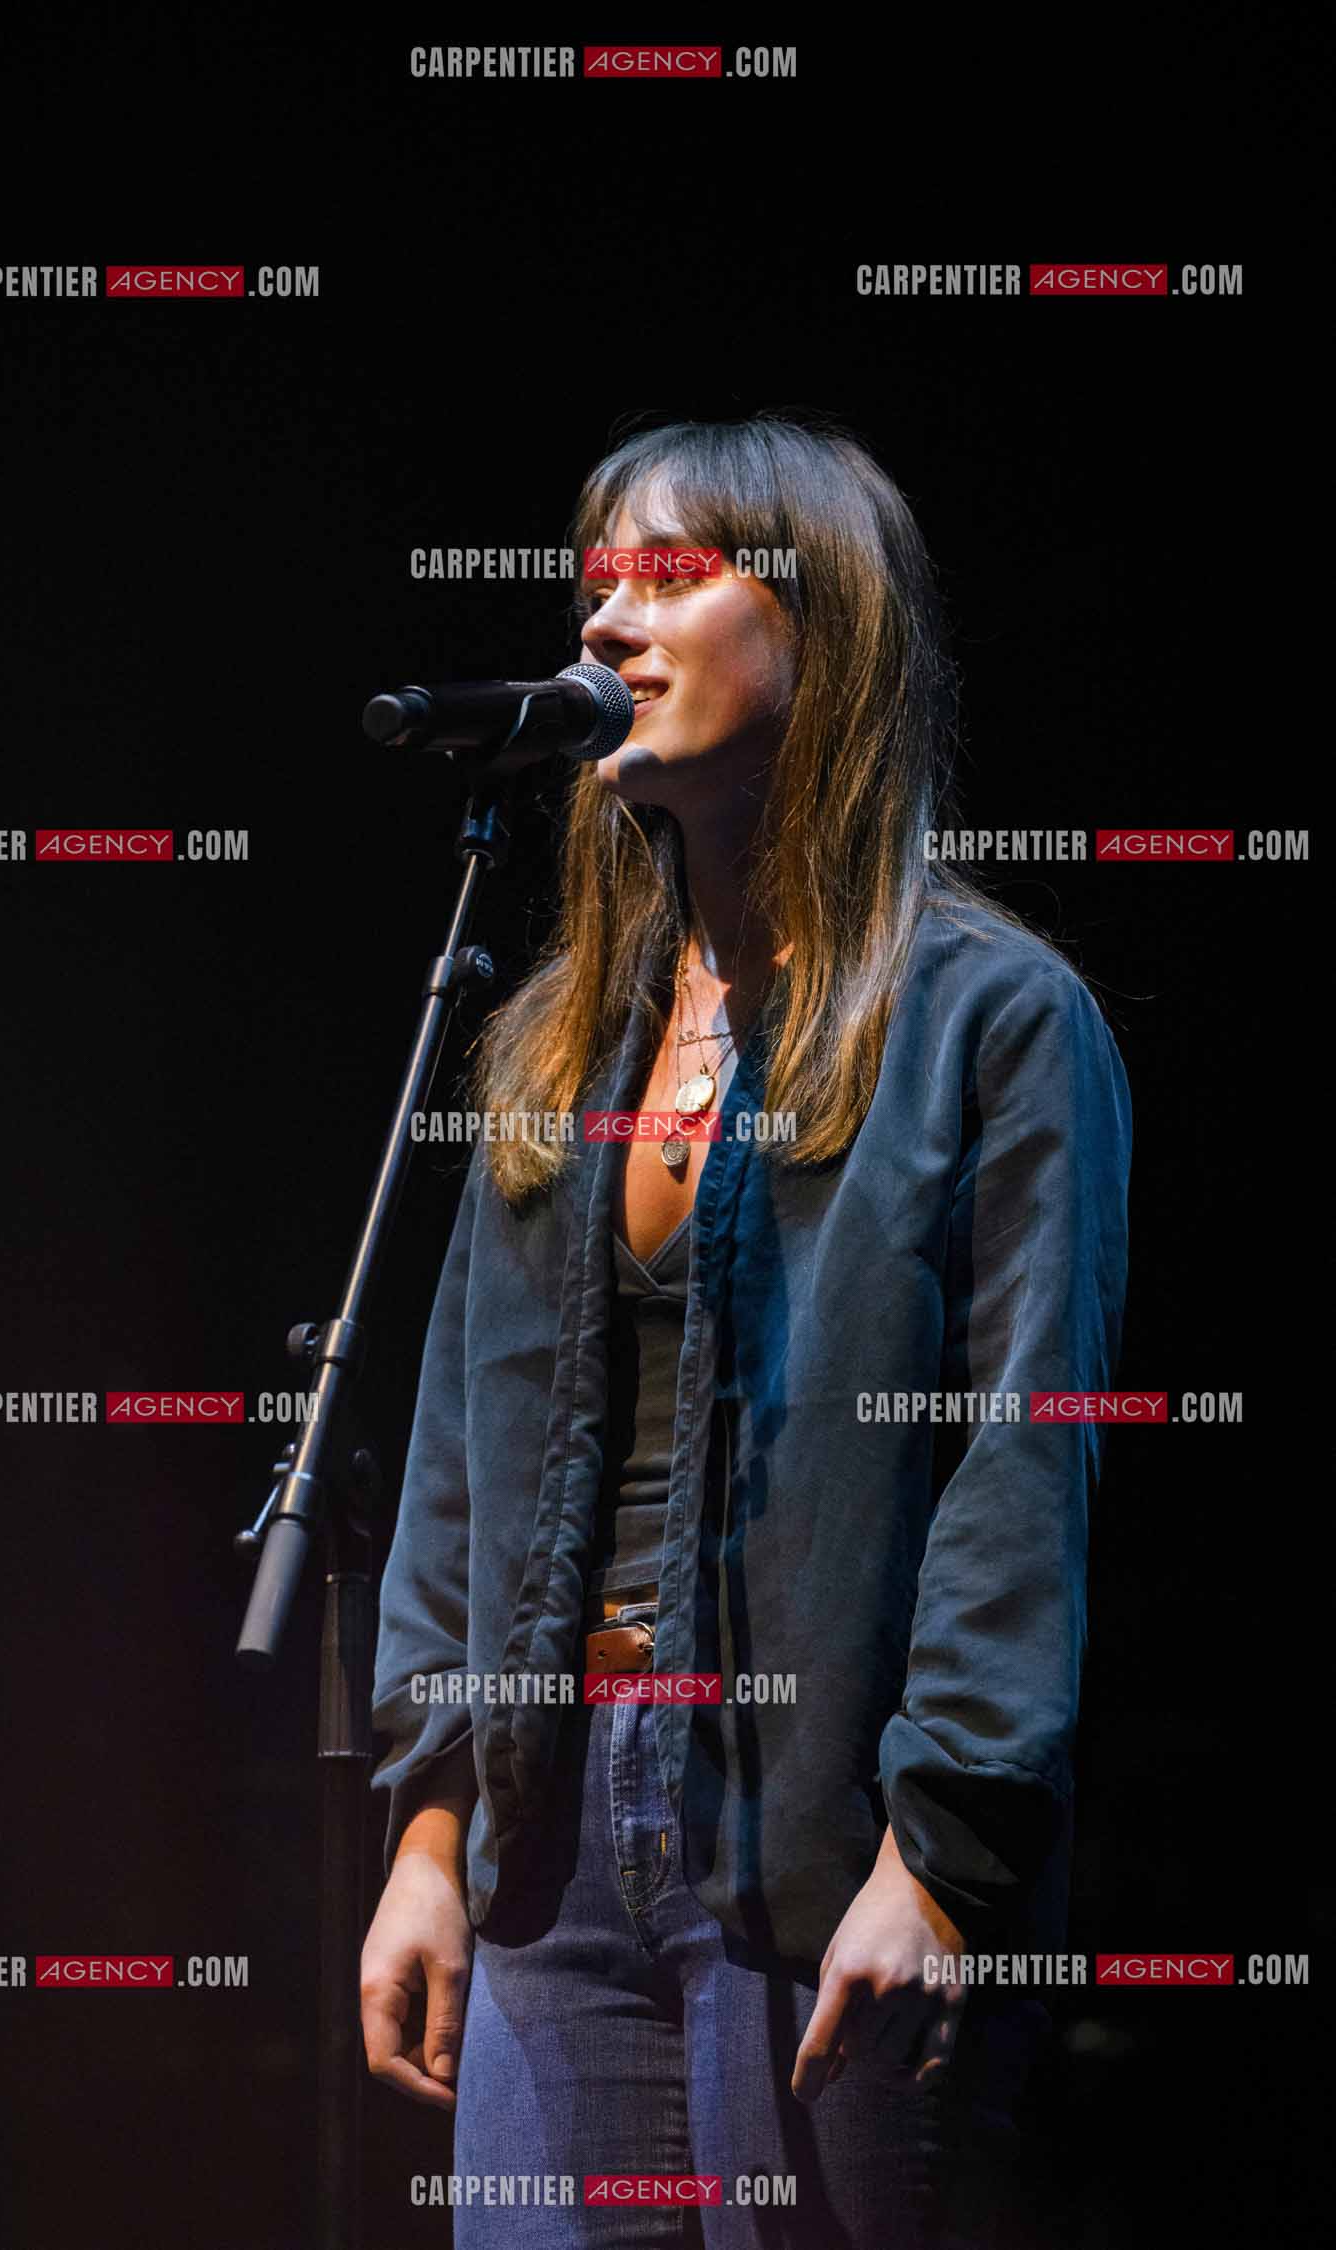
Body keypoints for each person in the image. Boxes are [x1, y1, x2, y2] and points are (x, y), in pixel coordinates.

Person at [360, 413, 1132, 2247]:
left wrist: (941, 1864)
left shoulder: (992, 1017)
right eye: (595, 585)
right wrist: (429, 1833)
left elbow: (1030, 1454)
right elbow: (459, 1457)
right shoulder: (557, 1044)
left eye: (675, 573)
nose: (611, 628)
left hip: (822, 1841)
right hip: (556, 1850)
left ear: (827, 625)